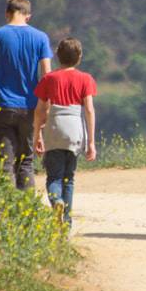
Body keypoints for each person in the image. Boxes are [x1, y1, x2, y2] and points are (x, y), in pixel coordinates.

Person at [0, 0, 52, 189]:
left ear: (7, 14)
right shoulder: (41, 37)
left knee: (2, 165)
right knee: (26, 163)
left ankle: (3, 214)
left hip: (3, 106)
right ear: (28, 15)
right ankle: (26, 212)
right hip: (30, 107)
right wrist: (43, 111)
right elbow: (47, 77)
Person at [33, 37, 97, 227]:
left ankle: (56, 203)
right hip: (75, 129)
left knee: (54, 177)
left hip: (55, 128)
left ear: (58, 56)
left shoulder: (49, 79)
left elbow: (41, 110)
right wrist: (91, 142)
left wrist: (37, 135)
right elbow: (89, 110)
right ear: (79, 57)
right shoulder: (86, 79)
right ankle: (66, 222)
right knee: (69, 178)